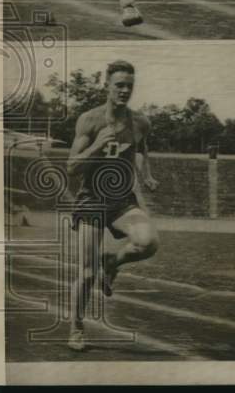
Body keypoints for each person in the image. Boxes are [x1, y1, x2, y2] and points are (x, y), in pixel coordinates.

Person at [66, 60, 159, 352]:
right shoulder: (89, 120)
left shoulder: (141, 122)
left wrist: (145, 175)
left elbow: (140, 148)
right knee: (87, 273)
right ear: (106, 86)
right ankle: (76, 328)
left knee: (148, 242)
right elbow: (71, 167)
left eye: (129, 85)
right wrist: (96, 146)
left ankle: (112, 263)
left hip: (121, 202)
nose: (125, 90)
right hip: (91, 201)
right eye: (119, 84)